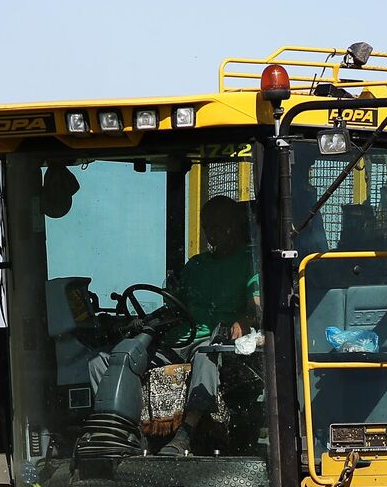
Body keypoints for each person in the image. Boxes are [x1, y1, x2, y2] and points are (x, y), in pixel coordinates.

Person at [87, 195, 259, 457]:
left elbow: (256, 306)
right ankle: (121, 432)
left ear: (235, 225)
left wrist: (243, 321)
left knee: (206, 356)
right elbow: (176, 305)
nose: (214, 233)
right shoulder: (196, 265)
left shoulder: (249, 262)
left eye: (220, 225)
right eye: (209, 227)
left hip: (211, 340)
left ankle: (185, 434)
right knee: (105, 360)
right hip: (176, 338)